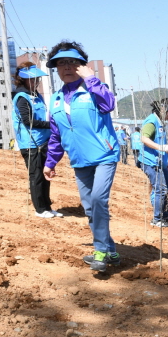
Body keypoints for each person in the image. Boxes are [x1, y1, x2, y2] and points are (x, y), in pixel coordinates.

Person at [42, 40, 120, 272]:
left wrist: (92, 78)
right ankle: (111, 251)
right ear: (56, 69)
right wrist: (50, 162)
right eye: (61, 63)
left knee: (98, 200)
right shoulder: (55, 99)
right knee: (89, 207)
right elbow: (56, 136)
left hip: (104, 154)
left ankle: (100, 252)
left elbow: (109, 104)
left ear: (81, 66)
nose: (66, 67)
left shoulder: (93, 88)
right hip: (79, 160)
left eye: (72, 62)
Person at [11, 62, 60, 219]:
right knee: (36, 176)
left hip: (43, 141)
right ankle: (39, 209)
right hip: (31, 144)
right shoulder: (21, 97)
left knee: (46, 175)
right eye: (32, 79)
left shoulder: (36, 95)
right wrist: (52, 125)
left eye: (37, 79)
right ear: (23, 80)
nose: (36, 82)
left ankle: (47, 206)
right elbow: (28, 121)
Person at [140, 97, 168, 227]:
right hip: (151, 162)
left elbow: (162, 143)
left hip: (161, 163)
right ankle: (157, 219)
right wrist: (160, 148)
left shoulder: (161, 123)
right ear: (163, 109)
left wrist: (167, 161)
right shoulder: (152, 122)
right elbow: (144, 138)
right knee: (160, 189)